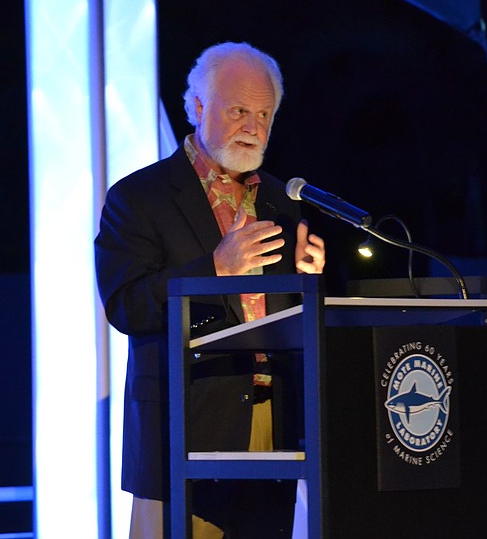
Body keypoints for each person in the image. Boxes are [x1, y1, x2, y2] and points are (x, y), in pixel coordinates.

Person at [95, 41, 325, 538]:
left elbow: (287, 320)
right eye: (239, 110)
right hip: (183, 426)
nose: (253, 127)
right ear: (198, 107)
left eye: (264, 114)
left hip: (273, 421)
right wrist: (214, 269)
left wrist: (310, 283)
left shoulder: (281, 201)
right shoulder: (139, 197)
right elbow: (126, 305)